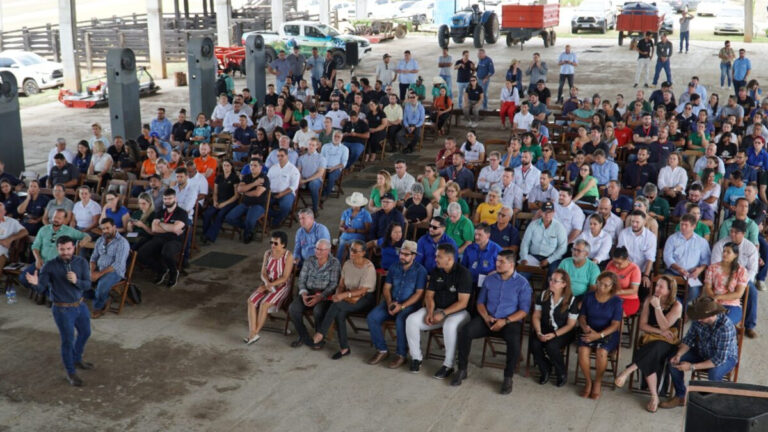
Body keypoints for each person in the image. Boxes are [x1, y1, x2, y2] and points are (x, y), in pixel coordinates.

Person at [452, 250, 531, 393]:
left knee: (514, 342)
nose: (497, 264)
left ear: (511, 264)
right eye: (497, 261)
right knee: (465, 332)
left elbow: (524, 310)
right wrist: (486, 317)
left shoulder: (522, 284)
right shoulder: (490, 279)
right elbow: (480, 302)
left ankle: (508, 377)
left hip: (509, 321)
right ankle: (462, 369)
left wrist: (505, 321)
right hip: (488, 318)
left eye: (502, 262)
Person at [25, 236, 93, 386]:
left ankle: (76, 359)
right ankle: (71, 372)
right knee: (68, 340)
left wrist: (76, 281)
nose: (65, 252)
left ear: (73, 248)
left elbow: (88, 285)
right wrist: (35, 284)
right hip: (62, 309)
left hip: (80, 306)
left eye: (68, 249)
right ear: (57, 249)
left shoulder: (81, 262)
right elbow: (41, 288)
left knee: (86, 332)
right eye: (62, 249)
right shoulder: (49, 266)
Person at [615, 275, 683, 413]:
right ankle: (654, 397)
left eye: (661, 287)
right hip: (651, 337)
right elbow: (642, 325)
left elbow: (666, 326)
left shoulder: (677, 305)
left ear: (670, 290)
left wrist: (657, 308)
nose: (656, 289)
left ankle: (629, 370)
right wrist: (659, 331)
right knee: (653, 351)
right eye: (656, 285)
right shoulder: (648, 300)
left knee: (656, 348)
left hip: (668, 340)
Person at [660, 296, 739, 409]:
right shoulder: (699, 321)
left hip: (726, 358)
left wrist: (691, 366)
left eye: (701, 317)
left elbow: (718, 359)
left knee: (714, 373)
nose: (697, 320)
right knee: (673, 362)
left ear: (710, 315)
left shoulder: (726, 327)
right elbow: (688, 340)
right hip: (702, 351)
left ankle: (713, 403)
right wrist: (679, 355)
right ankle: (680, 396)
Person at [406, 243, 470, 378]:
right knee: (411, 320)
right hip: (437, 310)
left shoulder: (463, 273)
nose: (435, 259)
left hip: (458, 313)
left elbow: (463, 302)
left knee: (450, 325)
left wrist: (443, 313)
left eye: (439, 257)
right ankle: (416, 358)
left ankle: (448, 365)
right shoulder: (436, 271)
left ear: (450, 259)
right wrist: (430, 312)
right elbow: (429, 295)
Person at [311, 240, 377, 359]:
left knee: (337, 306)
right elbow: (341, 285)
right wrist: (338, 295)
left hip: (364, 298)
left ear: (363, 253)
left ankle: (321, 332)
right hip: (348, 294)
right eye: (350, 249)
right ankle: (344, 348)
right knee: (339, 312)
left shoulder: (369, 267)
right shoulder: (347, 264)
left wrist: (343, 296)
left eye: (355, 251)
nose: (351, 252)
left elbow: (362, 291)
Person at [366, 240, 426, 368]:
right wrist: (389, 303)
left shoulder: (420, 271)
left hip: (409, 305)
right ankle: (382, 350)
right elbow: (386, 288)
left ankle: (401, 354)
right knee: (372, 317)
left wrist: (402, 306)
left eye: (406, 254)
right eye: (401, 253)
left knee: (401, 320)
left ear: (414, 256)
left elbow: (419, 294)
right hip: (392, 301)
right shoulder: (394, 266)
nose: (402, 256)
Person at [578, 271, 623, 400]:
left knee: (601, 352)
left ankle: (597, 381)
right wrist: (585, 327)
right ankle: (588, 381)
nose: (601, 287)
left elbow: (615, 325)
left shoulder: (616, 301)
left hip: (607, 333)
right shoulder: (589, 296)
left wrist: (599, 335)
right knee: (582, 350)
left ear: (612, 287)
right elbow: (582, 316)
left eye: (606, 285)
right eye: (599, 283)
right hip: (589, 330)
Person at [244, 230, 294, 345]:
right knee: (251, 301)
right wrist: (266, 283)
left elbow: (285, 277)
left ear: (283, 244)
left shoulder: (288, 256)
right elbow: (263, 273)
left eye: (276, 243)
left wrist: (269, 286)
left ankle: (254, 333)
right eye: (271, 242)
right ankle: (253, 332)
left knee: (264, 303)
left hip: (281, 286)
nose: (272, 245)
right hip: (268, 283)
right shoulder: (267, 253)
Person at [530, 269, 579, 387]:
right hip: (545, 328)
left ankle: (561, 372)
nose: (551, 283)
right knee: (534, 343)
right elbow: (536, 315)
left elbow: (570, 325)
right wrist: (538, 331)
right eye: (550, 280)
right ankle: (545, 368)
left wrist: (555, 334)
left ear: (564, 284)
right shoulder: (543, 295)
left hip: (563, 331)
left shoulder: (572, 300)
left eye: (555, 281)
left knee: (552, 346)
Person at [288, 239, 341, 348]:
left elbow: (333, 284)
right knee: (293, 308)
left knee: (318, 311)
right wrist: (303, 293)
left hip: (325, 295)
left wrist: (321, 296)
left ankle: (319, 337)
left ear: (328, 250)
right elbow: (301, 280)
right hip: (308, 291)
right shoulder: (309, 260)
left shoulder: (334, 263)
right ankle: (303, 336)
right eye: (316, 248)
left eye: (321, 250)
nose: (318, 252)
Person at [137, 189, 187, 288]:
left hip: (175, 240)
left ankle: (173, 272)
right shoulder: (160, 212)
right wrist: (170, 228)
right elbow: (154, 229)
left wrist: (160, 224)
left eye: (170, 198)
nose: (167, 201)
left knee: (166, 253)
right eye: (165, 199)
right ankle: (161, 269)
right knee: (141, 254)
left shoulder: (182, 213)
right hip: (159, 238)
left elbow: (176, 228)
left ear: (175, 199)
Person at [87, 217, 130, 318]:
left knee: (101, 287)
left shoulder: (122, 243)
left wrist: (98, 274)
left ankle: (98, 307)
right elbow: (93, 257)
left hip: (114, 272)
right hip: (99, 268)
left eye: (108, 228)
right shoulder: (100, 240)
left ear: (114, 227)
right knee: (80, 281)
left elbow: (118, 264)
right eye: (103, 229)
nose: (105, 231)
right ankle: (105, 298)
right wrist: (91, 271)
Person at [663, 214, 711, 302]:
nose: (683, 227)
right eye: (681, 224)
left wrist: (699, 270)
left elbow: (706, 259)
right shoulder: (672, 239)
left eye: (686, 225)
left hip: (691, 274)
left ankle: (680, 307)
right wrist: (678, 268)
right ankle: (676, 305)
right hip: (673, 271)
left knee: (694, 292)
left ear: (693, 226)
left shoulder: (701, 242)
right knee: (664, 287)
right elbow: (667, 257)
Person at [704, 242, 748, 325]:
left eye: (728, 252)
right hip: (714, 303)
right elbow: (708, 287)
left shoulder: (741, 270)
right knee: (704, 320)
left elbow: (738, 294)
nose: (724, 253)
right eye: (724, 251)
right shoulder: (712, 268)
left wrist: (719, 297)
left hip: (733, 305)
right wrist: (714, 299)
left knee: (724, 324)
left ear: (735, 255)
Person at [519, 202, 568, 275]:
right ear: (541, 212)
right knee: (522, 273)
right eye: (545, 212)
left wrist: (549, 260)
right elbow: (525, 242)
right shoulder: (533, 224)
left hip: (552, 258)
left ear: (554, 212)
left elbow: (563, 247)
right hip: (534, 256)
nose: (547, 215)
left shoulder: (559, 227)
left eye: (550, 212)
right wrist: (524, 258)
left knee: (553, 275)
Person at [201, 159, 240, 244]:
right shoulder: (219, 177)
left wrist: (224, 204)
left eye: (228, 165)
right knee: (207, 213)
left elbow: (236, 196)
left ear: (231, 167)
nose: (226, 167)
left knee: (220, 215)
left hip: (230, 202)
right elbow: (215, 192)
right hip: (219, 200)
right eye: (224, 165)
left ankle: (209, 237)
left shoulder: (235, 178)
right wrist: (215, 201)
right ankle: (205, 233)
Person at [618, 210, 657, 291]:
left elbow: (650, 258)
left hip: (643, 271)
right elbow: (622, 254)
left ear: (644, 222)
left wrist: (646, 275)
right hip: (626, 268)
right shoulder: (623, 233)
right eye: (632, 221)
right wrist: (628, 271)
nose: (634, 224)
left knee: (645, 288)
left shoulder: (651, 237)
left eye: (637, 222)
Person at [267, 149, 300, 228]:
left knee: (285, 207)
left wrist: (282, 194)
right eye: (278, 156)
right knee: (261, 204)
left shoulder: (293, 169)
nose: (280, 158)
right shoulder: (273, 168)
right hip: (272, 193)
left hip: (286, 193)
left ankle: (276, 222)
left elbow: (293, 186)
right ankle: (277, 216)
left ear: (287, 156)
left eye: (282, 156)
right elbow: (267, 181)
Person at [337, 193, 372, 262]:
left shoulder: (365, 214)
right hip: (345, 236)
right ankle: (339, 264)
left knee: (347, 246)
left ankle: (346, 263)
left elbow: (367, 230)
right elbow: (340, 226)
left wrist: (354, 230)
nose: (354, 206)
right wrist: (343, 229)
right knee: (342, 244)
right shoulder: (346, 212)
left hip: (358, 237)